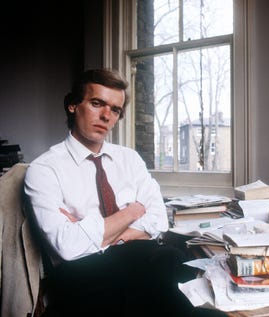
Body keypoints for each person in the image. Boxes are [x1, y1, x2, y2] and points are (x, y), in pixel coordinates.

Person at [24, 69, 215, 317]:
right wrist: (133, 211)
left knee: (178, 267)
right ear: (72, 105)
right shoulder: (44, 169)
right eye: (96, 103)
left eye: (115, 110)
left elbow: (159, 218)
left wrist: (97, 233)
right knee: (168, 266)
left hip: (140, 265)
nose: (106, 116)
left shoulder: (129, 159)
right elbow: (68, 247)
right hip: (81, 278)